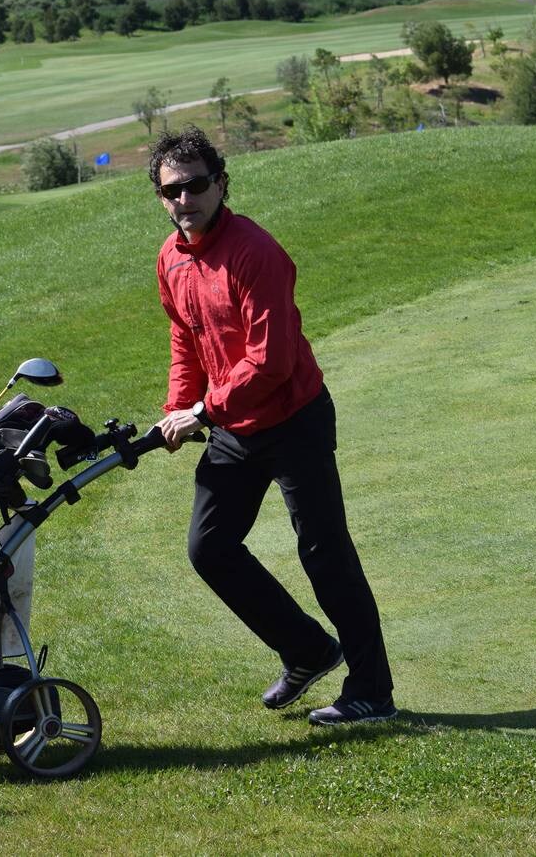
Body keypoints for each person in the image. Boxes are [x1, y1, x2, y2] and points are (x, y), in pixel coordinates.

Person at [150, 125, 395, 725]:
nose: (186, 199)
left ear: (221, 185)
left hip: (293, 420)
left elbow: (272, 360)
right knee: (210, 548)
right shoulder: (170, 259)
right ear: (162, 197)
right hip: (234, 426)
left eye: (197, 185)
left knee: (324, 553)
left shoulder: (256, 252)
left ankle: (372, 691)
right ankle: (308, 649)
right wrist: (175, 409)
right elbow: (187, 338)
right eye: (173, 190)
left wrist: (203, 411)